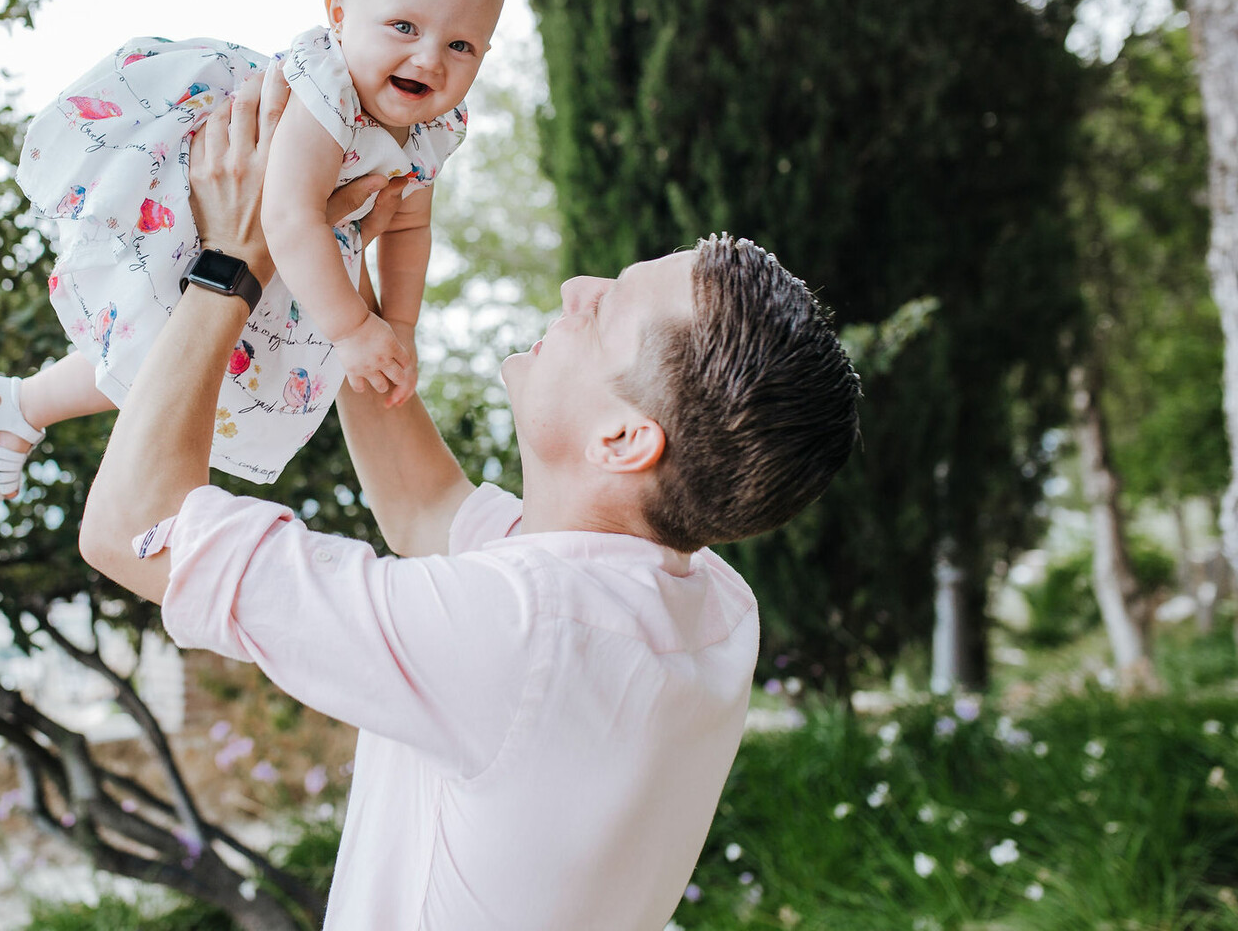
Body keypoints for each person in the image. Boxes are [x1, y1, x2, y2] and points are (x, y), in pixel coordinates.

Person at [76, 71, 863, 929]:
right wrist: (346, 295)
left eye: (605, 313)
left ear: (625, 440)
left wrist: (235, 255)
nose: (576, 290)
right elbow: (425, 509)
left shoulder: (521, 631)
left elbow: (131, 529)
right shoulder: (705, 599)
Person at [0, 0, 508, 496]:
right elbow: (289, 212)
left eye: (462, 46)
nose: (430, 58)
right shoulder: (328, 91)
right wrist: (353, 330)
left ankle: (16, 404)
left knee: (169, 354)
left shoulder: (436, 128)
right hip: (211, 212)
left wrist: (399, 324)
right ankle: (29, 411)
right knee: (165, 348)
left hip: (285, 252)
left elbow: (407, 228)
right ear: (340, 16)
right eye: (404, 27)